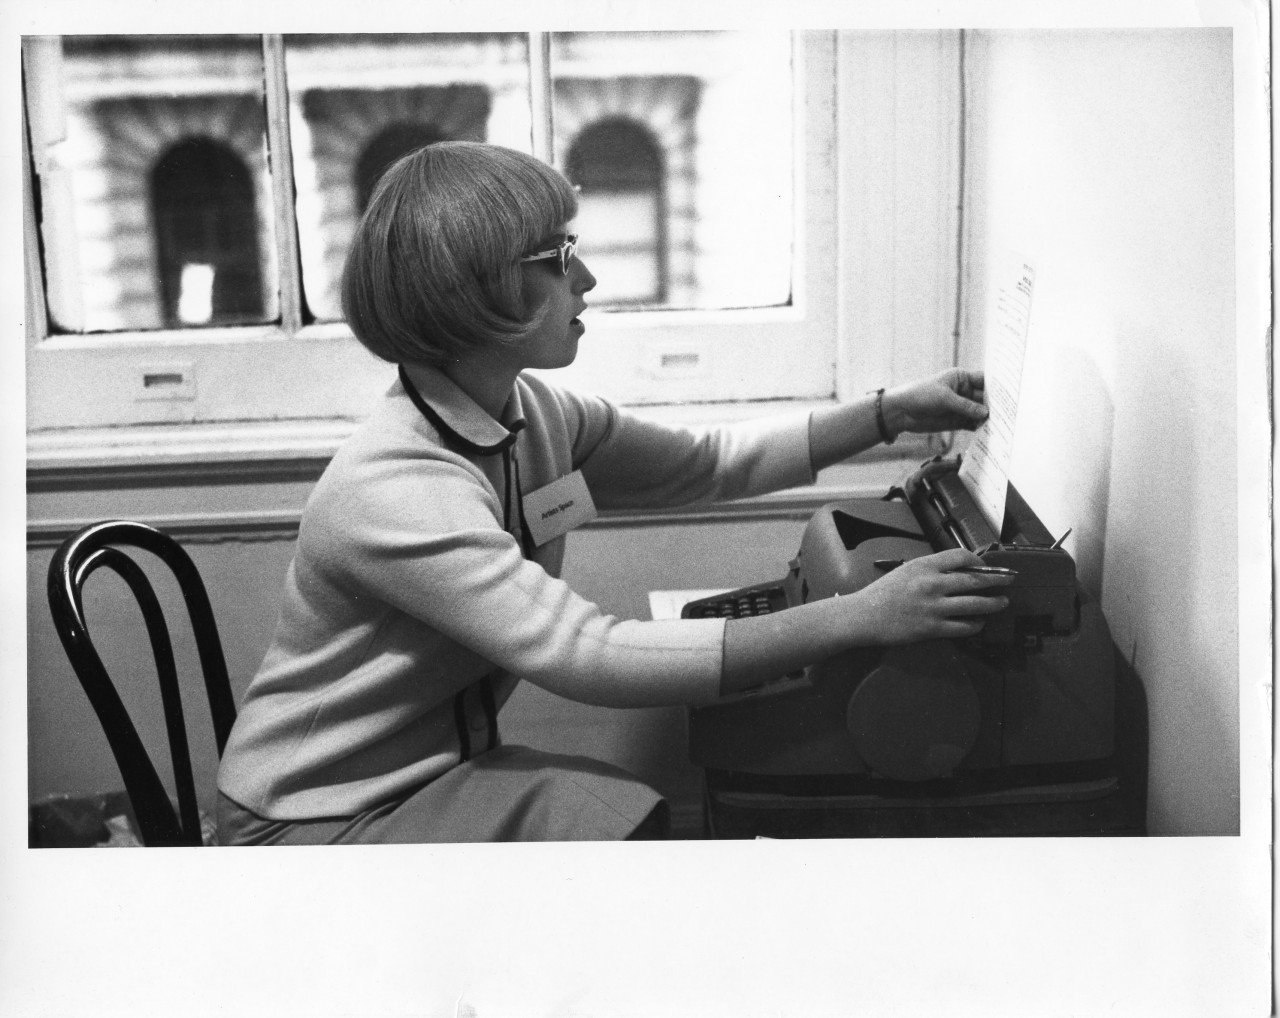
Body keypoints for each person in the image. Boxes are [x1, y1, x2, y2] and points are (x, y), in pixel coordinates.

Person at [215, 141, 1012, 845]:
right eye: (557, 258)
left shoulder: (533, 413)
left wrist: (887, 414)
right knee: (624, 834)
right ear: (476, 292)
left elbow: (705, 463)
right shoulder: (394, 484)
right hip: (314, 816)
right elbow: (585, 655)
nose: (587, 279)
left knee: (627, 816)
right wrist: (857, 616)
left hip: (423, 775)